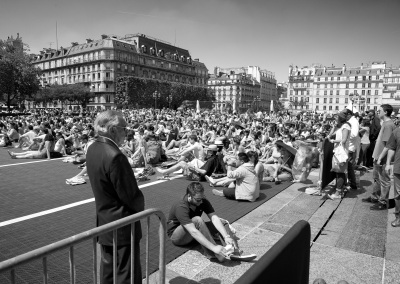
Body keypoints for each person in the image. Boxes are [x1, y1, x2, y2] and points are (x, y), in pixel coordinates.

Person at [86, 110, 145, 284]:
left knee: (108, 270)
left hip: (104, 220)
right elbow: (132, 196)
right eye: (124, 128)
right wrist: (140, 206)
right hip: (123, 224)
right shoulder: (116, 156)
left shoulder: (93, 148)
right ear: (112, 130)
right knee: (127, 274)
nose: (126, 132)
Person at [167, 182, 232, 261]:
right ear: (189, 196)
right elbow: (193, 231)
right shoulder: (181, 206)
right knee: (197, 220)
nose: (201, 202)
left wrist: (226, 236)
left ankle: (231, 250)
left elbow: (214, 218)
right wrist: (214, 247)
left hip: (193, 230)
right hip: (177, 236)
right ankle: (215, 254)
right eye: (198, 200)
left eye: (202, 198)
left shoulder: (202, 200)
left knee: (222, 222)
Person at [363, 104, 396, 210]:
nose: (378, 112)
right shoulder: (386, 124)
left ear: (385, 112)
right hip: (378, 156)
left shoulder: (388, 125)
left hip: (382, 157)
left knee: (384, 180)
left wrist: (381, 157)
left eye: (379, 110)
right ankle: (375, 196)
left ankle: (383, 202)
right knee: (377, 178)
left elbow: (388, 145)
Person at [328, 112, 350, 200]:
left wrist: (333, 141)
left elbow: (344, 140)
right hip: (339, 151)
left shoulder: (345, 126)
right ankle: (341, 189)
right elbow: (330, 135)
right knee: (339, 171)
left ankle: (338, 193)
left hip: (342, 152)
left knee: (340, 172)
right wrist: (333, 127)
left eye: (336, 117)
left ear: (341, 118)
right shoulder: (341, 126)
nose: (335, 119)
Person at [386, 128, 400, 227]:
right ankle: (398, 217)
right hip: (399, 167)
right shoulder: (397, 131)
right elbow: (392, 148)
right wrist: (387, 163)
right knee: (398, 194)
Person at [343, 109, 360, 191]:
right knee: (349, 166)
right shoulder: (351, 121)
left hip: (350, 147)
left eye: (345, 115)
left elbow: (355, 134)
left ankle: (352, 184)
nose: (344, 117)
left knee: (349, 166)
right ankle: (351, 183)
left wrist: (345, 133)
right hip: (348, 147)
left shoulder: (353, 121)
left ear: (349, 114)